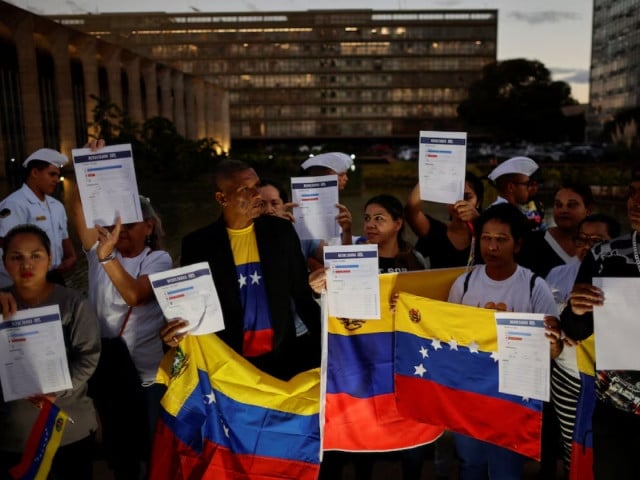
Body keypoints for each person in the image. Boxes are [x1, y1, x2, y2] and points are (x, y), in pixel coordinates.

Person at [162, 159, 321, 381]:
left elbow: (303, 298)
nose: (257, 194)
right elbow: (193, 311)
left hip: (284, 361)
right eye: (246, 189)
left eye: (257, 185)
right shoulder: (198, 245)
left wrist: (333, 348)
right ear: (222, 198)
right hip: (229, 367)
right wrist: (172, 338)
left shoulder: (281, 232)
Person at [70, 173, 172, 479]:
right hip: (108, 365)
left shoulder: (158, 259)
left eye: (129, 224)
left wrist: (106, 256)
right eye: (116, 223)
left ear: (149, 226)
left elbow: (135, 296)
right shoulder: (100, 252)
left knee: (153, 443)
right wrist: (82, 170)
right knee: (118, 445)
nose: (120, 230)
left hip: (146, 371)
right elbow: (77, 211)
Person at [447, 203, 560, 480]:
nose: (492, 247)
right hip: (471, 394)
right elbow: (448, 335)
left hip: (514, 398)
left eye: (501, 239)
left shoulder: (535, 286)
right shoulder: (463, 284)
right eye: (486, 238)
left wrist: (553, 343)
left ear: (517, 244)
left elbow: (554, 350)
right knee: (470, 465)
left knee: (506, 470)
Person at [0, 225, 100, 480]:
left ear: (50, 259)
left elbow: (88, 356)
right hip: (14, 433)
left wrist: (56, 389)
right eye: (16, 257)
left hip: (68, 427)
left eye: (36, 255)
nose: (26, 265)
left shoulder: (73, 303)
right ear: (4, 262)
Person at [560, 167, 640, 479]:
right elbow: (575, 330)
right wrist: (577, 310)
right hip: (618, 406)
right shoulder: (604, 254)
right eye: (632, 192)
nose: (636, 201)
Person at [545, 213, 620, 474]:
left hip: (609, 384)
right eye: (582, 239)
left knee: (609, 451)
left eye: (597, 241)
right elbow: (548, 321)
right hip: (565, 375)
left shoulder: (625, 277)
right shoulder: (556, 274)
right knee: (574, 448)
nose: (587, 247)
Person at [0, 148, 77, 287]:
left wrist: (71, 256)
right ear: (35, 173)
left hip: (54, 276)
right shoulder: (14, 204)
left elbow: (64, 236)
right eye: (52, 174)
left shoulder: (57, 205)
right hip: (25, 280)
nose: (56, 180)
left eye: (57, 175)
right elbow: (6, 242)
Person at [405, 172, 483, 268]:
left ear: (478, 202)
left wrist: (479, 220)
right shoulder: (436, 231)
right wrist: (434, 171)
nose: (460, 202)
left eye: (467, 197)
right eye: (453, 196)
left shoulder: (486, 231)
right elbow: (411, 209)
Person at [520, 183, 594, 278]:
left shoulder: (599, 245)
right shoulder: (531, 242)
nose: (564, 210)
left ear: (588, 210)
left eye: (571, 205)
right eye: (558, 205)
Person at [259, 178, 326, 269]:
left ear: (285, 205)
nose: (268, 210)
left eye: (274, 203)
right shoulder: (249, 234)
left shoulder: (299, 231)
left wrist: (346, 231)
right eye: (261, 204)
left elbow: (333, 259)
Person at [300, 152, 354, 245]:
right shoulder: (304, 211)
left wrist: (347, 231)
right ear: (327, 177)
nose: (346, 178)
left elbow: (343, 249)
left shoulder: (337, 208)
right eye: (341, 175)